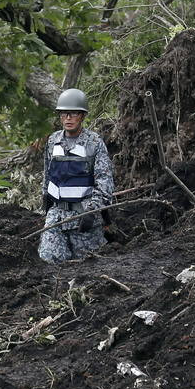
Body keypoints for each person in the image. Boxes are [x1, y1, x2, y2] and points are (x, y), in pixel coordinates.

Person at [38, 88, 115, 264]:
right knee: (49, 262)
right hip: (56, 218)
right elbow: (47, 175)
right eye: (64, 114)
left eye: (73, 114)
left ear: (82, 116)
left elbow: (105, 183)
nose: (68, 118)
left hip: (84, 219)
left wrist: (93, 210)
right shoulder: (53, 141)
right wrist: (46, 201)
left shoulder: (94, 143)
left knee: (88, 267)